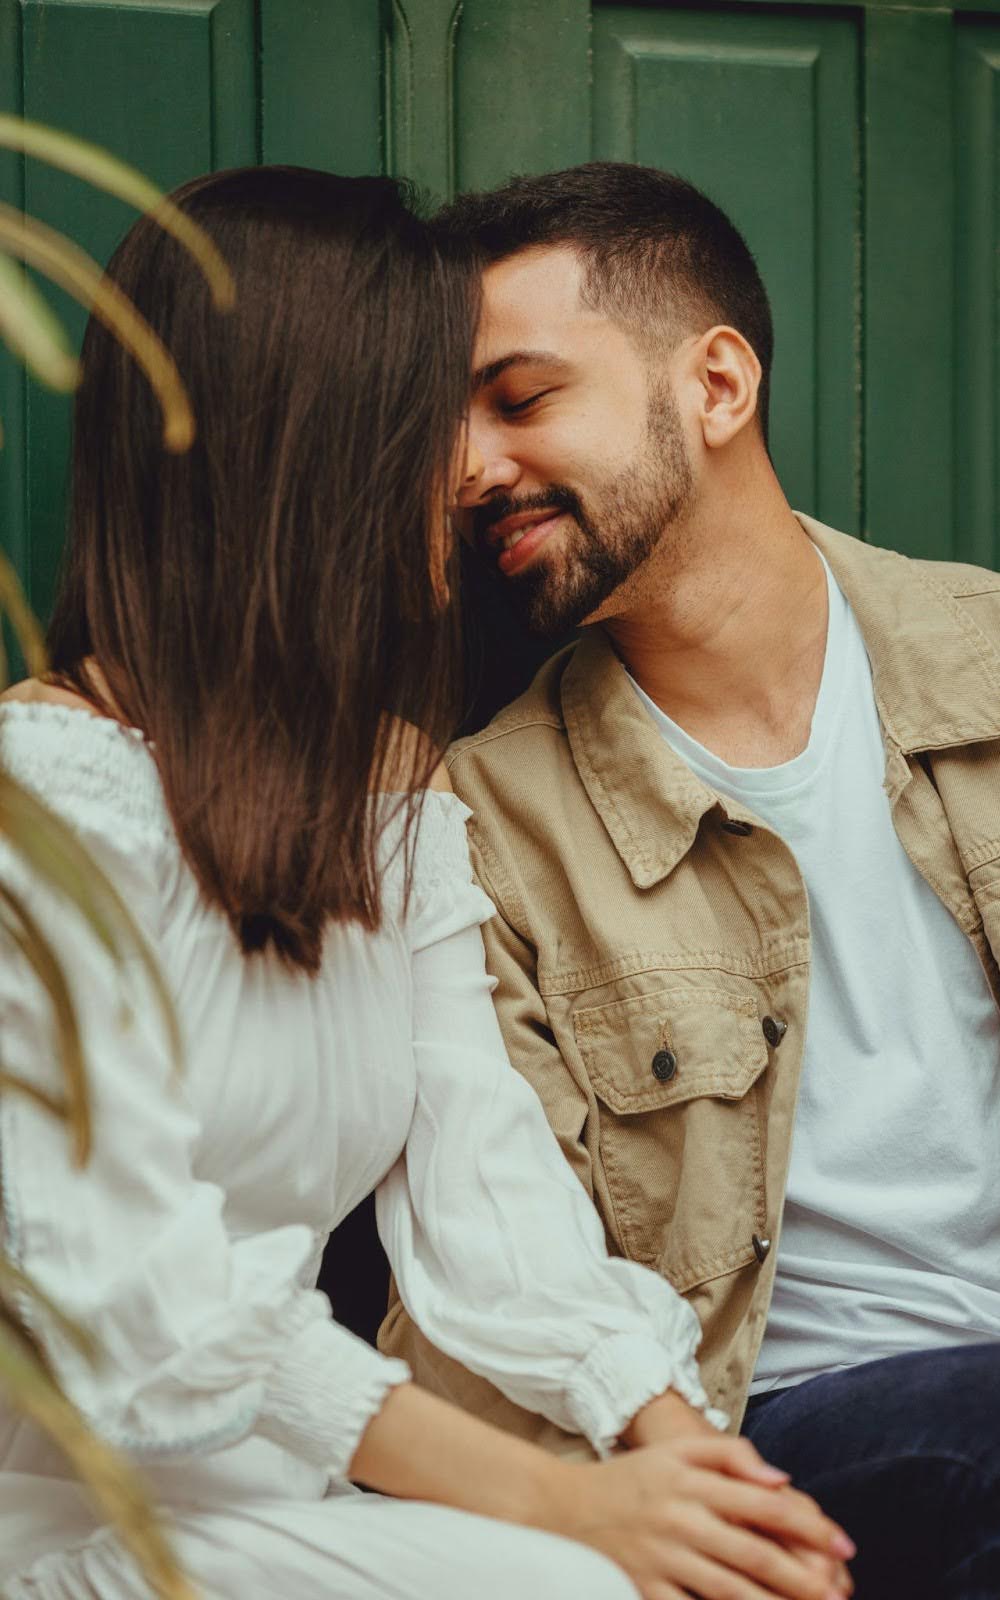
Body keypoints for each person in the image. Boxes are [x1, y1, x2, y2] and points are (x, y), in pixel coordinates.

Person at [0, 166, 855, 1600]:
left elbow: (484, 1185)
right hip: (73, 1527)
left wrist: (670, 1443)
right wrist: (566, 1511)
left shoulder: (394, 795)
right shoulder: (44, 802)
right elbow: (136, 1311)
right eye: (428, 413)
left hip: (293, 1507)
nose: (469, 471)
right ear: (303, 442)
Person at [380, 161, 1000, 1598]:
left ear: (715, 384)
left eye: (518, 399)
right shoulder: (494, 822)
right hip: (775, 1423)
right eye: (443, 426)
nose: (466, 469)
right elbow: (504, 1264)